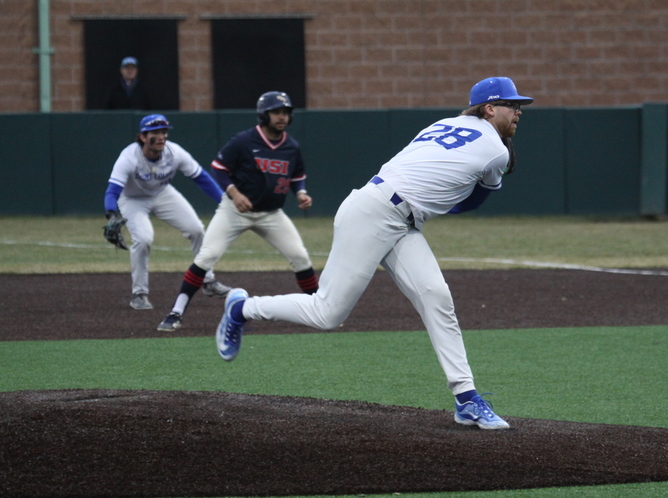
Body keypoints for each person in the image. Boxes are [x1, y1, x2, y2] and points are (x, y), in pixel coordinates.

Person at [215, 77, 533, 430]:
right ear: (490, 108)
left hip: (398, 217)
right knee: (327, 313)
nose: (518, 111)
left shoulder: (445, 123)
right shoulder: (496, 149)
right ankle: (243, 307)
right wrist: (449, 203)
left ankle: (466, 398)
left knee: (436, 296)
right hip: (374, 213)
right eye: (512, 104)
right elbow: (475, 199)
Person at [156, 91, 318, 332]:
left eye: (285, 112)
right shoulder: (244, 140)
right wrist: (234, 193)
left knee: (301, 257)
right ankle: (175, 312)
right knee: (206, 257)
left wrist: (301, 193)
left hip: (271, 214)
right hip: (234, 210)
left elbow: (296, 177)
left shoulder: (291, 147)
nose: (281, 117)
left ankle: (320, 308)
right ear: (264, 114)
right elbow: (219, 167)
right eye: (276, 112)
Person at [103, 113, 231, 310]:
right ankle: (139, 294)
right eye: (155, 132)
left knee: (196, 229)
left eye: (164, 131)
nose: (161, 136)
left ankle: (208, 281)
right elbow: (112, 191)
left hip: (162, 193)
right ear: (143, 137)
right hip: (132, 199)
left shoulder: (175, 153)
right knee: (144, 239)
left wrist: (225, 202)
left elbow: (201, 178)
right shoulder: (129, 157)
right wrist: (111, 214)